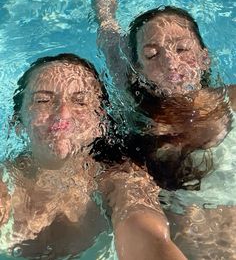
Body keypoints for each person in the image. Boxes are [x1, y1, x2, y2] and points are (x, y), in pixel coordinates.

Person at [0, 53, 187, 260]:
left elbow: (148, 235)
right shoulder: (4, 183)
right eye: (43, 100)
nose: (63, 114)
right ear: (17, 123)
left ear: (102, 123)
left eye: (80, 102)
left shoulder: (120, 181)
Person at [94, 0, 236, 190]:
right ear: (138, 68)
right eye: (152, 54)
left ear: (205, 59)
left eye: (181, 49)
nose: (170, 63)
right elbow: (105, 16)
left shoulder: (231, 100)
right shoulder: (131, 93)